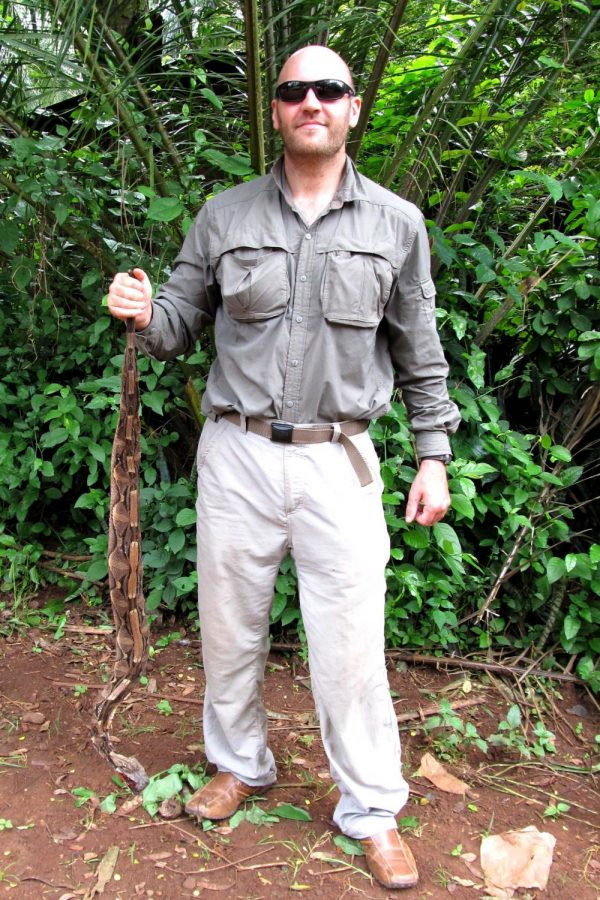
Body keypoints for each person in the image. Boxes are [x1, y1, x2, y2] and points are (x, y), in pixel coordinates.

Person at [107, 44, 460, 890]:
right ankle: (240, 766)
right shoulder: (224, 215)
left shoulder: (395, 223)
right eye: (295, 90)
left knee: (351, 645)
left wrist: (433, 455)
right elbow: (181, 320)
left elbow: (421, 352)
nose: (312, 101)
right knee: (230, 630)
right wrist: (145, 312)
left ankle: (372, 808)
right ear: (275, 110)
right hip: (235, 454)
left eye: (328, 89)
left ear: (352, 109)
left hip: (341, 459)